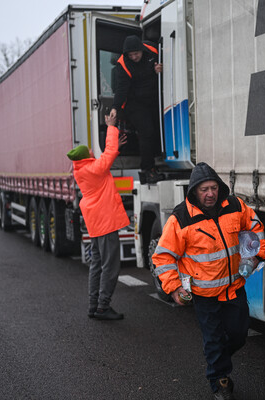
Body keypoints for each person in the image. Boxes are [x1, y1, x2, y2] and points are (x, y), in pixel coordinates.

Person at [152, 162, 265, 399]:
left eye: (213, 188)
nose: (210, 194)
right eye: (204, 189)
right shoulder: (181, 218)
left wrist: (255, 255)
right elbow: (163, 256)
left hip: (234, 288)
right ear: (194, 190)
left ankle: (218, 360)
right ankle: (220, 381)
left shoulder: (235, 206)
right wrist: (174, 289)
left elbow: (255, 226)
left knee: (239, 335)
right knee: (213, 340)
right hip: (205, 297)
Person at [66, 113, 129, 320]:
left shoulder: (83, 170)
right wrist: (111, 127)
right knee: (110, 266)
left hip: (96, 223)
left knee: (96, 265)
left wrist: (115, 147)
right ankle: (103, 306)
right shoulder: (93, 169)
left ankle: (94, 305)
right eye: (91, 152)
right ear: (86, 156)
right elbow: (107, 154)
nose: (94, 152)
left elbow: (106, 157)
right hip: (105, 223)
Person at [110, 35, 163, 184]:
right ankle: (147, 169)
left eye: (136, 54)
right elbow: (121, 89)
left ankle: (160, 157)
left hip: (152, 98)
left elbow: (169, 58)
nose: (134, 57)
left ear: (142, 49)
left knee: (158, 128)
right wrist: (115, 107)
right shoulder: (123, 64)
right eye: (130, 55)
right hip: (134, 103)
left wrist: (161, 68)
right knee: (146, 131)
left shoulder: (152, 49)